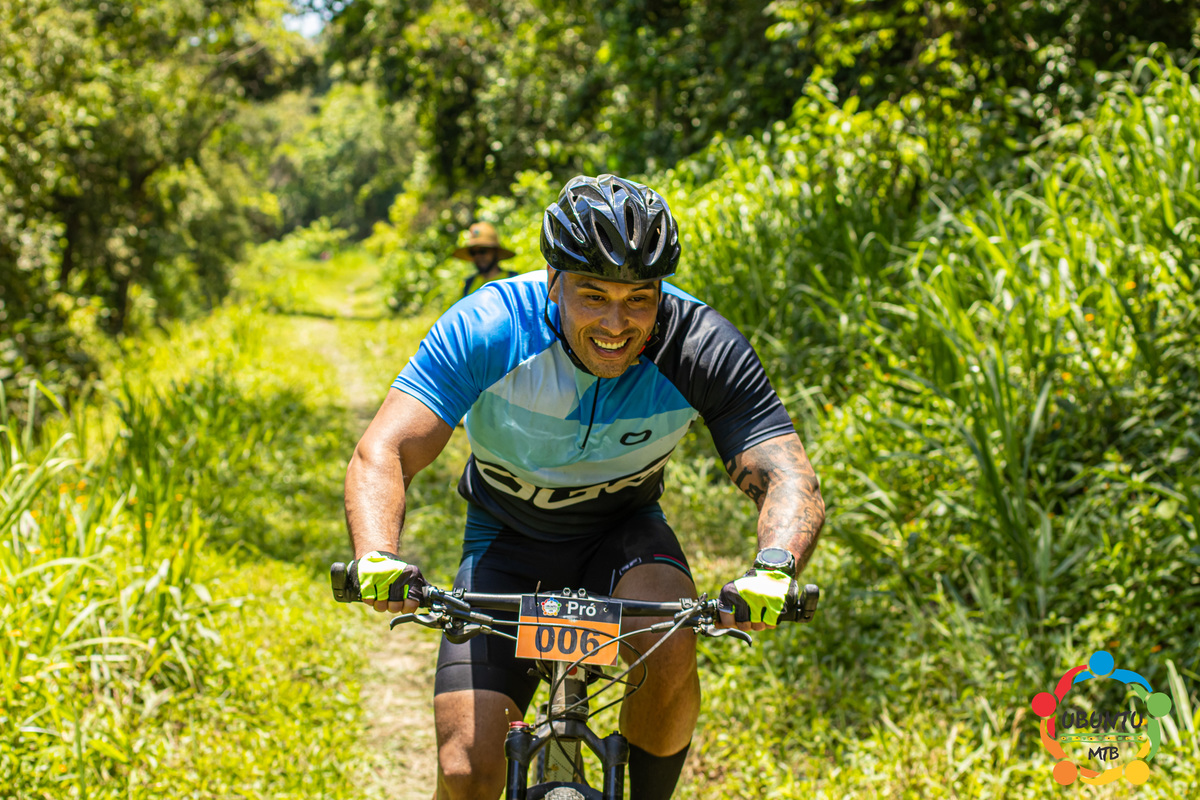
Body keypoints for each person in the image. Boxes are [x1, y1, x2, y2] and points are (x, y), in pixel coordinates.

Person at [344, 174, 825, 800]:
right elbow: (385, 449)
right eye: (593, 295)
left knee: (671, 649)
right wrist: (376, 556)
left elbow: (787, 473)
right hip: (505, 539)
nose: (616, 324)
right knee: (466, 772)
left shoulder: (698, 344)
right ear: (553, 280)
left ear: (661, 293)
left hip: (623, 534)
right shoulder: (492, 326)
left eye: (639, 299)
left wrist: (775, 569)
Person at [453, 221, 518, 297]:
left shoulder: (513, 281)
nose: (478, 256)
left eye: (482, 251)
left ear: (495, 251)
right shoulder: (468, 285)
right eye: (473, 252)